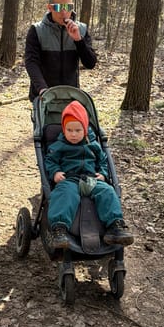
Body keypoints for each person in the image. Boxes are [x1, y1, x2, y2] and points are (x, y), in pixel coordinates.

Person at [44, 100, 134, 249]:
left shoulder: (93, 145)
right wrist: (55, 172)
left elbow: (103, 161)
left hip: (92, 179)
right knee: (65, 194)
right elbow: (50, 161)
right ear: (64, 130)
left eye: (77, 130)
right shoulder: (59, 145)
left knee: (107, 191)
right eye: (69, 130)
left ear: (85, 129)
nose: (73, 134)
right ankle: (59, 230)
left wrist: (103, 174)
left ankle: (115, 226)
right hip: (69, 179)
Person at [24, 0, 97, 100]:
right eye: (58, 7)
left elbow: (90, 63)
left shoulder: (81, 29)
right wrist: (42, 89)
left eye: (67, 7)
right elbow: (31, 63)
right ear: (50, 7)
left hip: (71, 95)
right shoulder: (37, 30)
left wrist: (78, 40)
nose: (63, 12)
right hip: (43, 95)